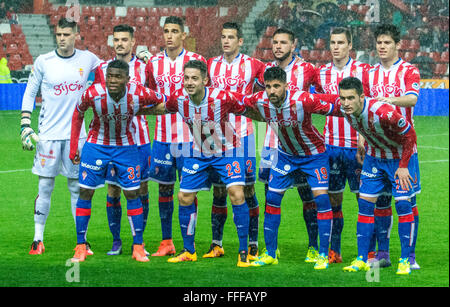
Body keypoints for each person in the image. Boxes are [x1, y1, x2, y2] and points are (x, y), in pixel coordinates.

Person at [140, 60, 258, 267]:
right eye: (186, 78)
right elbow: (161, 108)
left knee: (237, 194)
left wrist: (272, 118)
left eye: (194, 78)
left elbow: (247, 106)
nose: (189, 82)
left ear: (205, 80)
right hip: (198, 152)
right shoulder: (179, 99)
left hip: (228, 151)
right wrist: (136, 110)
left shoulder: (221, 97)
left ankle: (243, 252)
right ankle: (189, 250)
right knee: (184, 196)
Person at [243, 66, 341, 270]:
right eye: (268, 86)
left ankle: (323, 254)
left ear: (286, 85)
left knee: (321, 199)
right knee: (271, 198)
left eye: (277, 86)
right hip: (285, 155)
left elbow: (333, 103)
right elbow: (236, 101)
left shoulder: (303, 100)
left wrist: (357, 104)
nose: (272, 91)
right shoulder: (260, 100)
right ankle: (270, 253)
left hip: (314, 155)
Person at [69, 60, 166, 263]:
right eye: (110, 76)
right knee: (85, 191)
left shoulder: (138, 93)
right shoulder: (93, 93)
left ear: (127, 79)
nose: (113, 80)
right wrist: (73, 147)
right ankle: (80, 246)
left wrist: (142, 111)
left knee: (133, 192)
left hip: (126, 147)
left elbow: (163, 101)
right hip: (96, 146)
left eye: (118, 76)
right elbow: (78, 113)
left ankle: (138, 246)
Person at [21, 17, 101, 255]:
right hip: (48, 136)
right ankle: (37, 239)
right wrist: (25, 124)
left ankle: (81, 241)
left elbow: (111, 72)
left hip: (78, 138)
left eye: (67, 34)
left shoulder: (88, 59)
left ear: (76, 35)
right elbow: (29, 93)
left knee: (78, 188)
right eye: (59, 35)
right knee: (45, 186)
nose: (62, 38)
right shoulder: (44, 61)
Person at [338, 77, 418, 275]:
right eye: (342, 98)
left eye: (350, 98)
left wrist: (404, 166)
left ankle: (406, 260)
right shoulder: (345, 109)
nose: (346, 103)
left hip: (400, 159)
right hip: (374, 158)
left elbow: (410, 135)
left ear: (362, 97)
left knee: (402, 204)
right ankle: (362, 259)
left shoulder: (383, 112)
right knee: (365, 205)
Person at [144, 16, 207, 257]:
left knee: (188, 192)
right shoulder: (154, 63)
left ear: (183, 35)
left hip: (192, 139)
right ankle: (166, 241)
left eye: (174, 31)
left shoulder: (197, 61)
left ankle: (188, 244)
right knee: (164, 190)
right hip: (162, 138)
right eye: (166, 31)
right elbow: (151, 94)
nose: (169, 35)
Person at [204, 22, 265, 260]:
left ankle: (252, 243)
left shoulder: (254, 65)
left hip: (244, 132)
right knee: (219, 190)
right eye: (223, 37)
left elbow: (269, 84)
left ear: (240, 41)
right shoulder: (210, 65)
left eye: (231, 37)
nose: (226, 41)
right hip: (216, 133)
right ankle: (216, 243)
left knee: (247, 189)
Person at [363, 24, 421, 269]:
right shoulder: (369, 74)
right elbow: (364, 106)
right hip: (376, 152)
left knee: (406, 203)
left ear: (398, 45)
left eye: (387, 42)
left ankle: (408, 257)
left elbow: (412, 99)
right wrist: (360, 139)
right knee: (381, 203)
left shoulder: (409, 70)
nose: (382, 47)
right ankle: (383, 254)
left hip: (403, 152)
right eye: (379, 42)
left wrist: (389, 100)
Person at [261, 28, 321, 263]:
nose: (278, 46)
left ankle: (314, 246)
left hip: (299, 145)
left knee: (308, 197)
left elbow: (322, 96)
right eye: (275, 42)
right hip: (271, 143)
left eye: (283, 42)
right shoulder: (266, 71)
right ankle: (271, 248)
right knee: (271, 196)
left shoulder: (307, 69)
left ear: (293, 45)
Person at [93, 24, 151, 256]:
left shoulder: (145, 68)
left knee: (141, 189)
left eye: (124, 40)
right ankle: (116, 240)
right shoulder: (103, 68)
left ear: (133, 42)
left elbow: (153, 97)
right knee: (114, 190)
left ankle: (140, 240)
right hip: (112, 140)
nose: (120, 44)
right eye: (116, 39)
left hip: (140, 138)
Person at [315, 27, 372, 263]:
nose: (336, 47)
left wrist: (364, 135)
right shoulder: (322, 74)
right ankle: (334, 251)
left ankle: (369, 252)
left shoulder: (363, 71)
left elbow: (370, 103)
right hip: (331, 148)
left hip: (357, 148)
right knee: (333, 201)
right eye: (332, 42)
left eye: (341, 42)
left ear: (350, 46)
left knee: (365, 201)